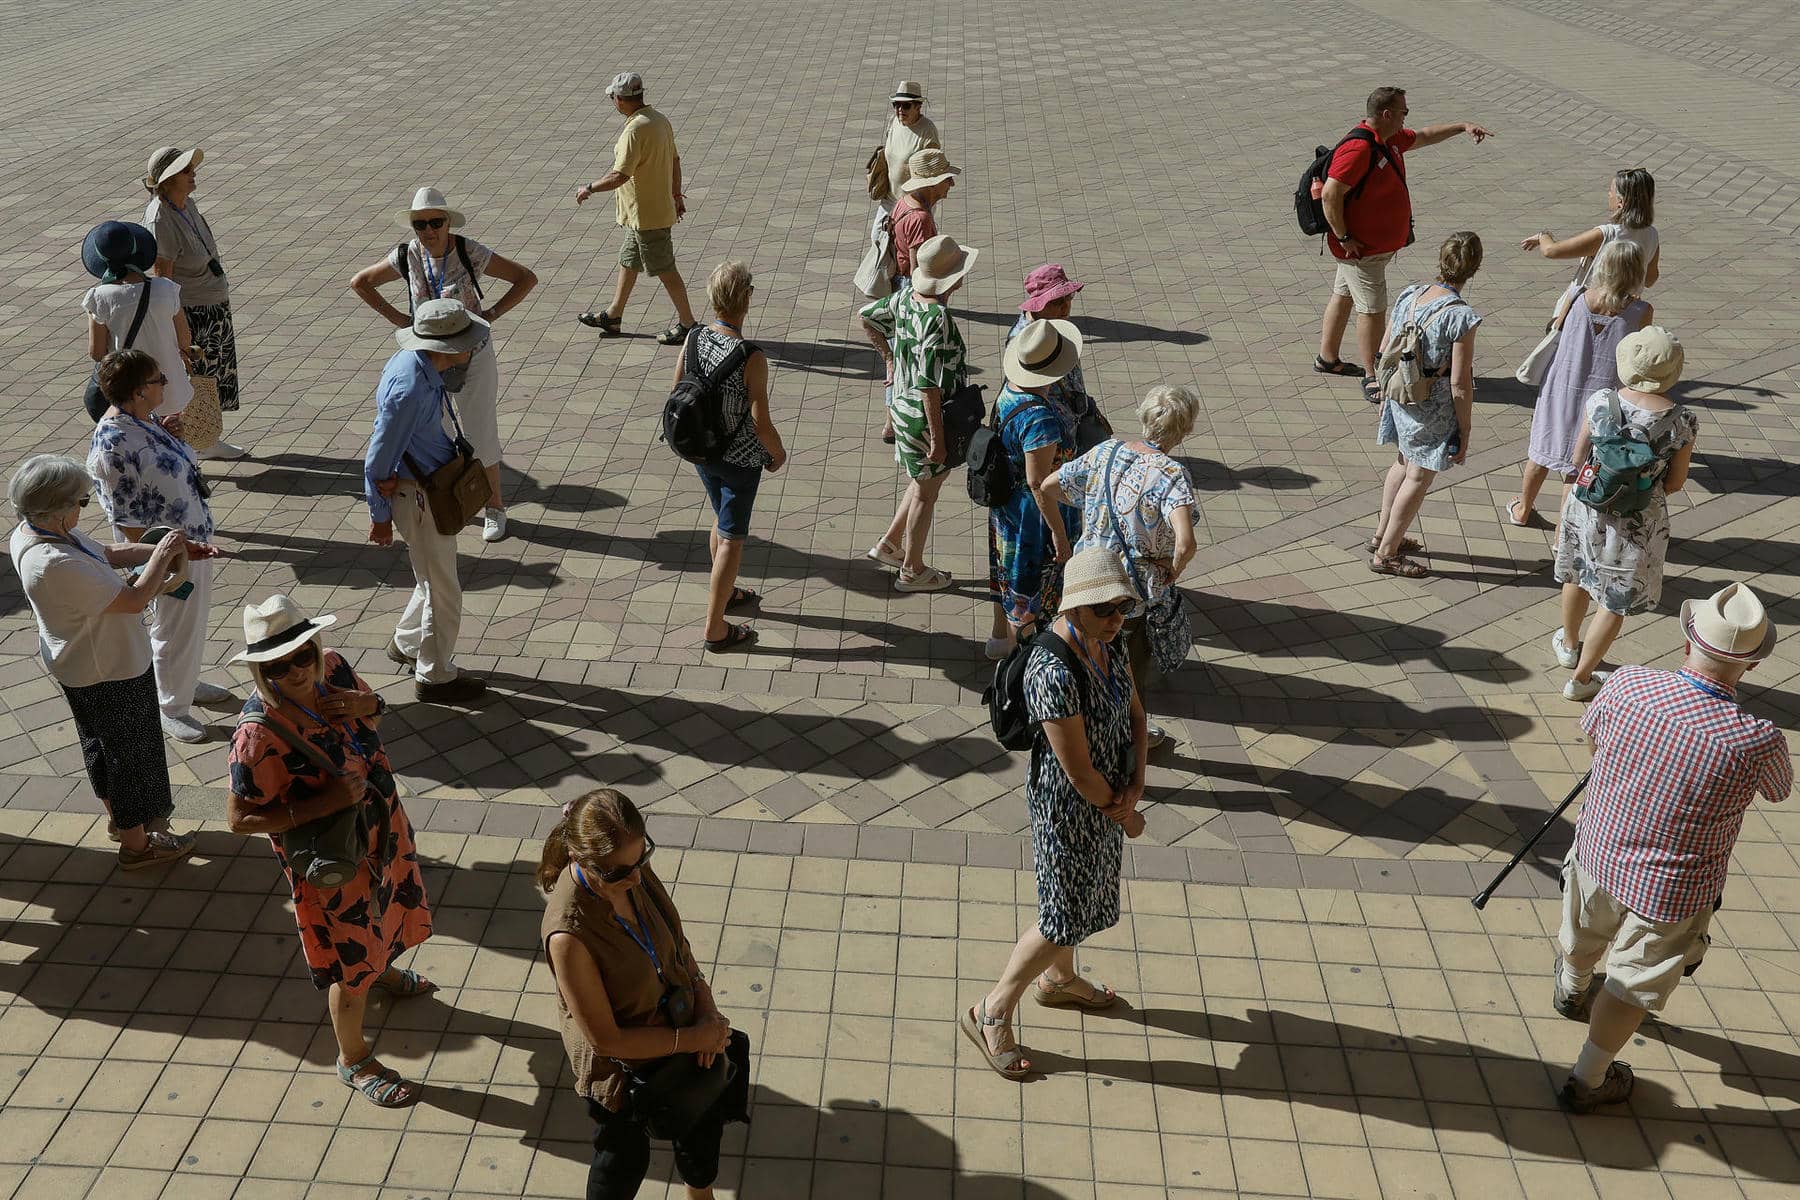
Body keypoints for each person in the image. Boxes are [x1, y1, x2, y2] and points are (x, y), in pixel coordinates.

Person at [1552, 582, 1789, 1112]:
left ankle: (1571, 987)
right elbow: (1777, 789)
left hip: (1600, 850)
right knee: (1631, 986)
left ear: (1687, 642)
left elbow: (1592, 738)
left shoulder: (1627, 684)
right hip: (1675, 890)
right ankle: (1589, 1079)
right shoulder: (1757, 738)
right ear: (1750, 666)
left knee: (1582, 932)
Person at [225, 595, 435, 1108]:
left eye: (302, 654)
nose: (295, 670)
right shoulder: (257, 734)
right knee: (349, 959)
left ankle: (380, 967)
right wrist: (323, 803)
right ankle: (354, 1058)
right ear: (260, 669)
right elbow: (238, 820)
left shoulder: (334, 668)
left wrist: (370, 705)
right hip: (334, 864)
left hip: (381, 835)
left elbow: (374, 716)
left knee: (383, 919)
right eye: (276, 664)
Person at [964, 547, 1148, 1080]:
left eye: (1122, 608)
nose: (1117, 620)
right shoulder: (1051, 668)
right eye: (1105, 609)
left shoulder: (1109, 643)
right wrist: (1127, 815)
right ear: (1074, 608)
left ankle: (1060, 981)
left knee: (1084, 899)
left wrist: (1137, 783)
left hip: (1110, 794)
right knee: (1060, 914)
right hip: (1069, 808)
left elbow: (1137, 714)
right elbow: (1078, 772)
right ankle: (992, 1010)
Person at [539, 788, 749, 1199]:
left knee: (702, 1117)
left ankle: (699, 1193)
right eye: (619, 873)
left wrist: (707, 1012)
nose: (636, 878)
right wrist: (693, 1038)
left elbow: (678, 946)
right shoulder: (569, 933)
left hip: (685, 1033)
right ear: (581, 859)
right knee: (622, 1160)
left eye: (642, 859)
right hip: (626, 1070)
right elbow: (606, 1039)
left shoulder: (627, 868)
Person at [7, 454, 200, 868]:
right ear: (58, 511)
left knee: (101, 745)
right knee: (129, 756)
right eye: (81, 501)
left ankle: (121, 822)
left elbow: (107, 553)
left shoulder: (31, 532)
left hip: (78, 665)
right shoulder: (55, 563)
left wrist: (160, 548)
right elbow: (133, 600)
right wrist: (162, 558)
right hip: (109, 670)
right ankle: (138, 846)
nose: (85, 506)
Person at [351, 187, 539, 543]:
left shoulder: (469, 251)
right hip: (428, 360)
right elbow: (360, 282)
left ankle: (495, 507)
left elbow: (525, 278)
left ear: (448, 222)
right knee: (438, 434)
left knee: (480, 431)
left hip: (472, 353)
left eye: (435, 222)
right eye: (420, 224)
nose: (428, 231)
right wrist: (400, 320)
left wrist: (492, 314)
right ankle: (454, 498)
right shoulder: (406, 255)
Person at [1044, 385, 1200, 748]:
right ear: (1186, 429)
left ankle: (1081, 735)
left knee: (1084, 659)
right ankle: (1130, 742)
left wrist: (1079, 523)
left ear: (1145, 416)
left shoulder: (1106, 451)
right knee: (1128, 673)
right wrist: (1171, 570)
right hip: (1129, 593)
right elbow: (1187, 541)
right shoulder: (1171, 474)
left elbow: (1050, 485)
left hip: (1086, 579)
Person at [1312, 87, 1493, 398]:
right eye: (1403, 112)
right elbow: (1330, 194)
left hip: (1365, 249)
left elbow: (1423, 136)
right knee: (1371, 310)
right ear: (1386, 114)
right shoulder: (1359, 148)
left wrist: (1462, 126)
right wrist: (1344, 237)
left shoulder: (1388, 139)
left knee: (1343, 295)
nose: (1406, 117)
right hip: (1360, 250)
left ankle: (1328, 358)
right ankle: (1372, 376)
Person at [86, 348, 229, 742]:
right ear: (136, 391)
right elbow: (127, 518)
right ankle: (172, 705)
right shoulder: (113, 444)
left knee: (189, 621)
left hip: (191, 542)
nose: (165, 384)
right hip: (168, 555)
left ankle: (185, 680)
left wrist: (169, 433)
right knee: (173, 623)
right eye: (157, 380)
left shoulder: (139, 421)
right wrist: (160, 565)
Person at [1553, 327, 1697, 700]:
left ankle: (1569, 644)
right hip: (1638, 521)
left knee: (1580, 574)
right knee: (1613, 601)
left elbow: (1577, 456)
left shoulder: (1602, 401)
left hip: (1589, 505)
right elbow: (1677, 482)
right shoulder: (1682, 421)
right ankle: (1582, 679)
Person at [364, 299, 491, 704]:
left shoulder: (414, 365)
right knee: (444, 589)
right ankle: (435, 675)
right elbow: (377, 458)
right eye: (467, 342)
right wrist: (379, 517)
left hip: (419, 488)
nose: (474, 348)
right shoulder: (411, 388)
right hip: (418, 495)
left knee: (430, 576)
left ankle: (405, 644)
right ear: (448, 348)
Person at [673, 262, 786, 653]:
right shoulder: (750, 356)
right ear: (747, 299)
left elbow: (677, 389)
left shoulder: (693, 339)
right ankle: (715, 627)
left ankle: (728, 591)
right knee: (732, 539)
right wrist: (778, 454)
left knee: (720, 519)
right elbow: (761, 423)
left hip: (701, 451)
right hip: (739, 461)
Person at [858, 235, 977, 592]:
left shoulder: (907, 297)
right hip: (926, 419)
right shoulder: (936, 316)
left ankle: (889, 545)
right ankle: (912, 570)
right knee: (927, 494)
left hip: (902, 407)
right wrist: (938, 440)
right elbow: (929, 383)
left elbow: (867, 317)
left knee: (921, 482)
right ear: (952, 278)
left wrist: (890, 360)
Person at [1506, 241, 1651, 527]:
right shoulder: (1641, 310)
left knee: (1542, 450)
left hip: (1561, 386)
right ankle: (1564, 530)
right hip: (1604, 395)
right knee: (1582, 462)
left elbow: (1555, 329)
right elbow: (1640, 354)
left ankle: (1523, 510)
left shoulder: (1576, 295)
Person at [1368, 232, 1485, 578]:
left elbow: (1385, 347)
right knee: (1418, 476)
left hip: (1400, 394)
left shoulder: (1411, 293)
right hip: (1430, 407)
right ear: (1473, 269)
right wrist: (1464, 428)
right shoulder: (1461, 317)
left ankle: (1382, 534)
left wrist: (1381, 390)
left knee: (1402, 463)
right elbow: (1460, 382)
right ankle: (1387, 554)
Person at [985, 318, 1083, 658]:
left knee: (1013, 583)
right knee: (1032, 595)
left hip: (1010, 510)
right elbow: (1038, 482)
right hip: (1037, 519)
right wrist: (1059, 534)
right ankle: (1028, 663)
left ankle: (1012, 649)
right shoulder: (1039, 417)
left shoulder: (1010, 390)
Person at [574, 72, 696, 345]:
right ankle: (614, 315)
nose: (612, 102)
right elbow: (675, 161)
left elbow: (620, 176)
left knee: (665, 269)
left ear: (621, 99)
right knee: (629, 261)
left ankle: (689, 324)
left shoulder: (635, 130)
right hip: (643, 214)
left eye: (612, 98)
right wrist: (676, 194)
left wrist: (589, 188)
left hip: (647, 216)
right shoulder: (659, 120)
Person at [143, 146, 249, 458]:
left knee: (212, 375)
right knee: (197, 377)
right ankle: (196, 440)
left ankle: (206, 436)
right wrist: (177, 327)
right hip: (192, 310)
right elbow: (164, 278)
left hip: (212, 302)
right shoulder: (160, 219)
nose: (193, 174)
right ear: (168, 179)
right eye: (186, 171)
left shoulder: (186, 204)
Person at [871, 148, 960, 446]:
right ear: (931, 182)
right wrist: (941, 286)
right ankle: (904, 421)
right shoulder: (920, 217)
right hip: (913, 287)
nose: (951, 185)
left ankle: (890, 423)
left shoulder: (903, 204)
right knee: (916, 360)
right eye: (946, 179)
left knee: (898, 357)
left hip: (900, 283)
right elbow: (918, 262)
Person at [80, 221, 193, 420]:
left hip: (130, 396)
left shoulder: (99, 297)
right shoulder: (166, 288)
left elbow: (97, 353)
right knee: (170, 443)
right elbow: (185, 340)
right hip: (170, 388)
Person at [1520, 167, 1660, 327]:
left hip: (1588, 311)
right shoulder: (1652, 234)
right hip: (1624, 317)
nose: (1609, 194)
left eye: (1611, 191)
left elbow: (1551, 251)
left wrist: (1543, 236)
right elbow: (1650, 279)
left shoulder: (1606, 234)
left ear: (1621, 202)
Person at [1009, 265, 1101, 428]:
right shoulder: (1024, 340)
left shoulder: (1056, 324)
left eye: (1069, 297)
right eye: (1058, 301)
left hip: (1072, 418)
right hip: (1049, 428)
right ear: (1039, 305)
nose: (1066, 306)